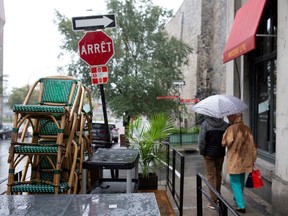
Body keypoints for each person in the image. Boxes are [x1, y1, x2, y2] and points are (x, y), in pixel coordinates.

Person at [222, 113, 257, 214]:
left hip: (235, 160)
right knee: (241, 181)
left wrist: (225, 134)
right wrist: (253, 159)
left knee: (235, 182)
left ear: (233, 117)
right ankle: (238, 199)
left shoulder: (231, 129)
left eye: (229, 116)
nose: (228, 117)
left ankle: (241, 206)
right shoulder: (247, 129)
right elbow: (253, 145)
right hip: (245, 160)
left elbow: (225, 143)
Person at [198, 116, 229, 210]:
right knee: (218, 174)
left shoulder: (205, 124)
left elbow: (201, 140)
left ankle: (213, 201)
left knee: (210, 176)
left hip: (208, 154)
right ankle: (218, 196)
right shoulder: (225, 125)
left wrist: (202, 151)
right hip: (220, 153)